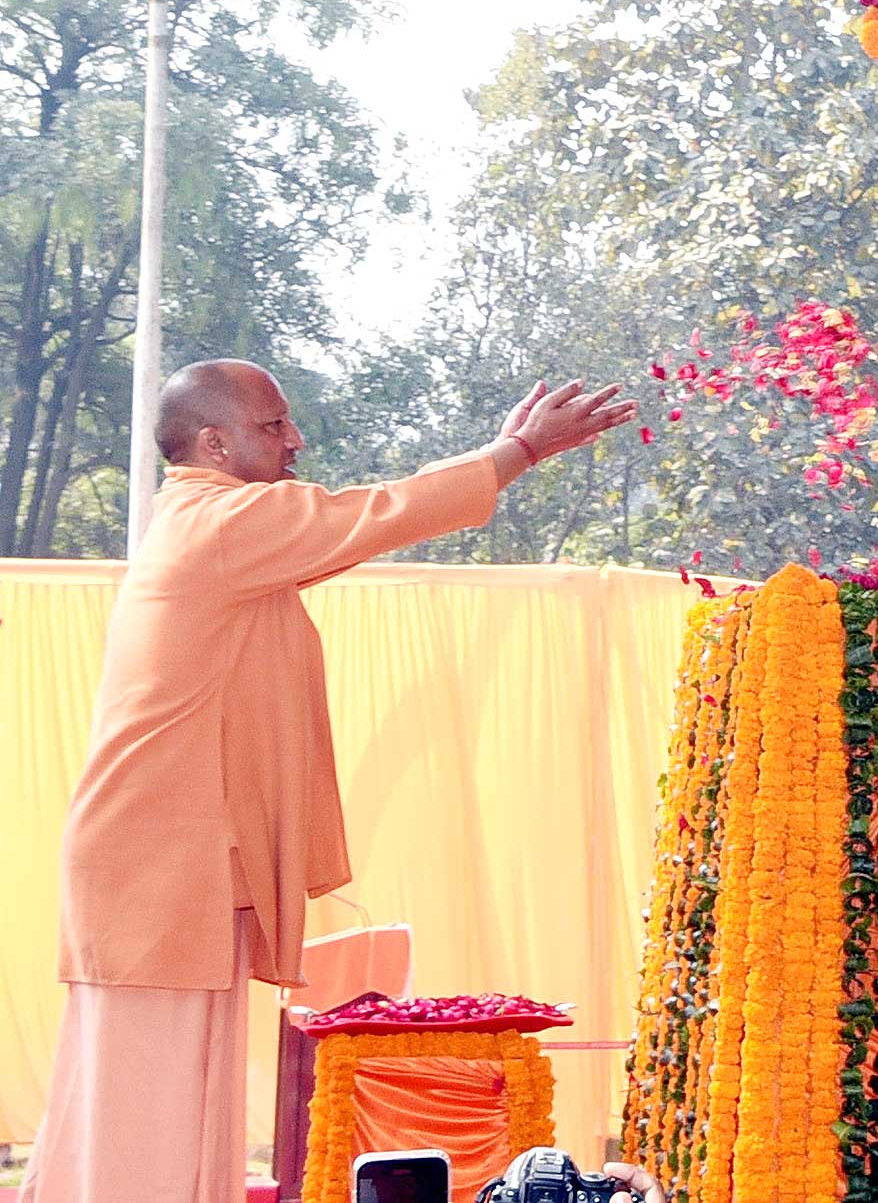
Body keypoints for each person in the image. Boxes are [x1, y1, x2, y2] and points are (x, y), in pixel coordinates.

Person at [22, 357, 635, 1203]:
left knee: (174, 1112)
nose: (295, 439)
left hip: (173, 870)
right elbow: (371, 514)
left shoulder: (219, 529)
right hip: (153, 871)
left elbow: (352, 528)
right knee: (142, 1117)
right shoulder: (221, 521)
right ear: (214, 441)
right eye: (274, 425)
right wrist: (517, 451)